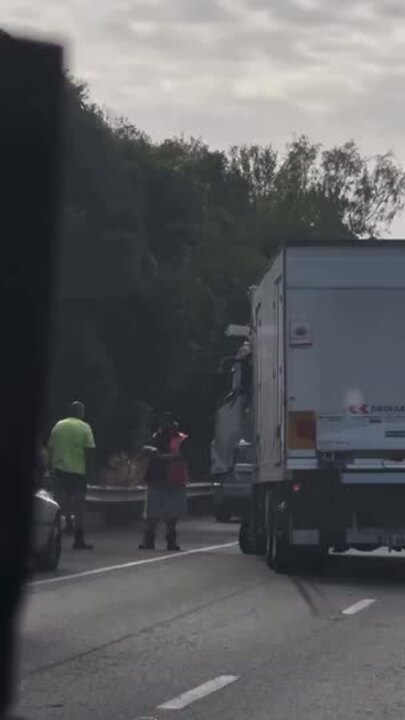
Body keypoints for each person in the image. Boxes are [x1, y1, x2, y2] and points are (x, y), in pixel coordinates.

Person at [48, 401, 96, 550]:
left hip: (59, 470)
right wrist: (91, 472)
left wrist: (50, 467)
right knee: (79, 506)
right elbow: (89, 450)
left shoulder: (58, 425)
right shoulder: (85, 427)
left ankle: (59, 531)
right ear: (81, 413)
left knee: (59, 502)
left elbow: (50, 447)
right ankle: (78, 539)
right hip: (78, 472)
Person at [139, 413, 189, 552]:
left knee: (172, 515)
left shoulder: (181, 439)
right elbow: (143, 449)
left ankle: (171, 540)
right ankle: (149, 539)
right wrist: (150, 450)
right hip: (156, 479)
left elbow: (182, 455)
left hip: (174, 480)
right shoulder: (155, 438)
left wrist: (161, 456)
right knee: (152, 514)